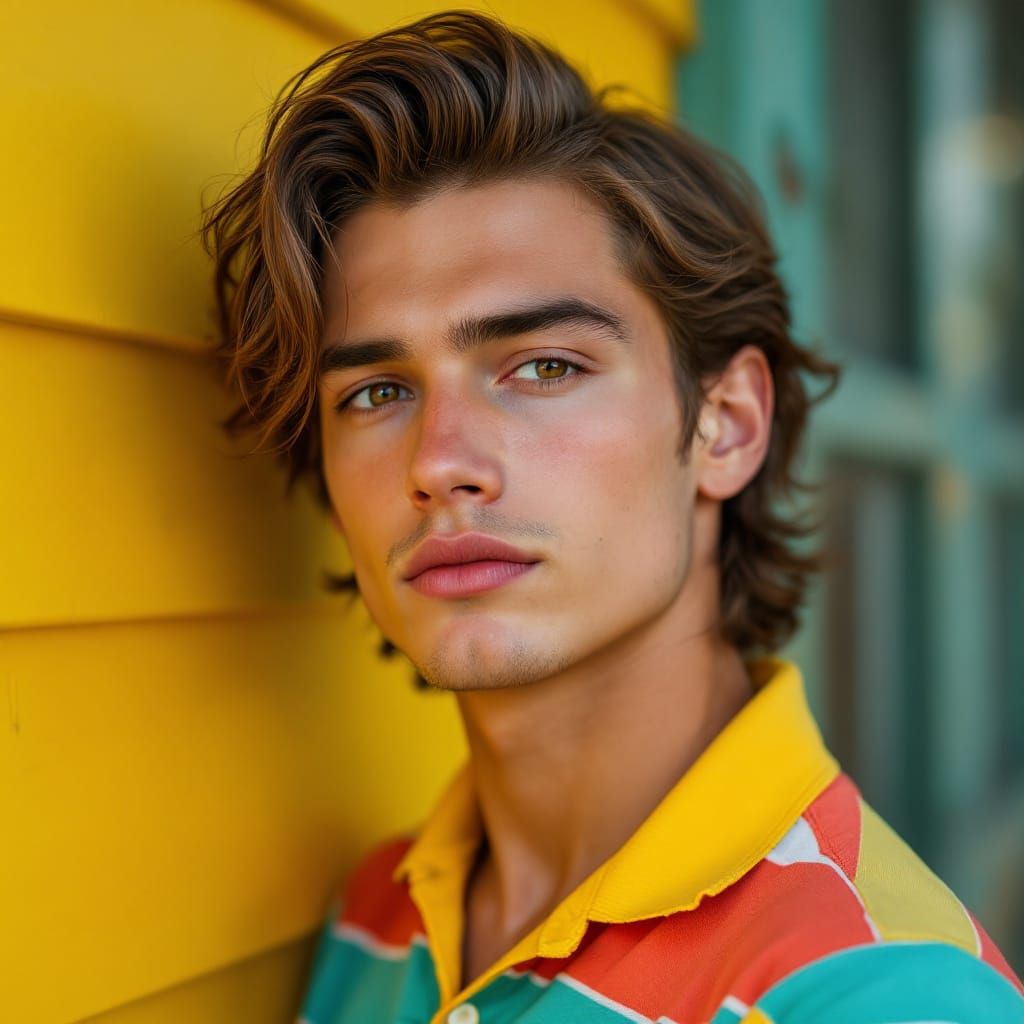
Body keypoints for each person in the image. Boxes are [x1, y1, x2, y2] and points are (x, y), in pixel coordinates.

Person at [202, 10, 1024, 1023]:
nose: (440, 462)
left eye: (544, 366)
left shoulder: (881, 992)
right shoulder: (378, 913)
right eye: (375, 392)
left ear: (724, 424)